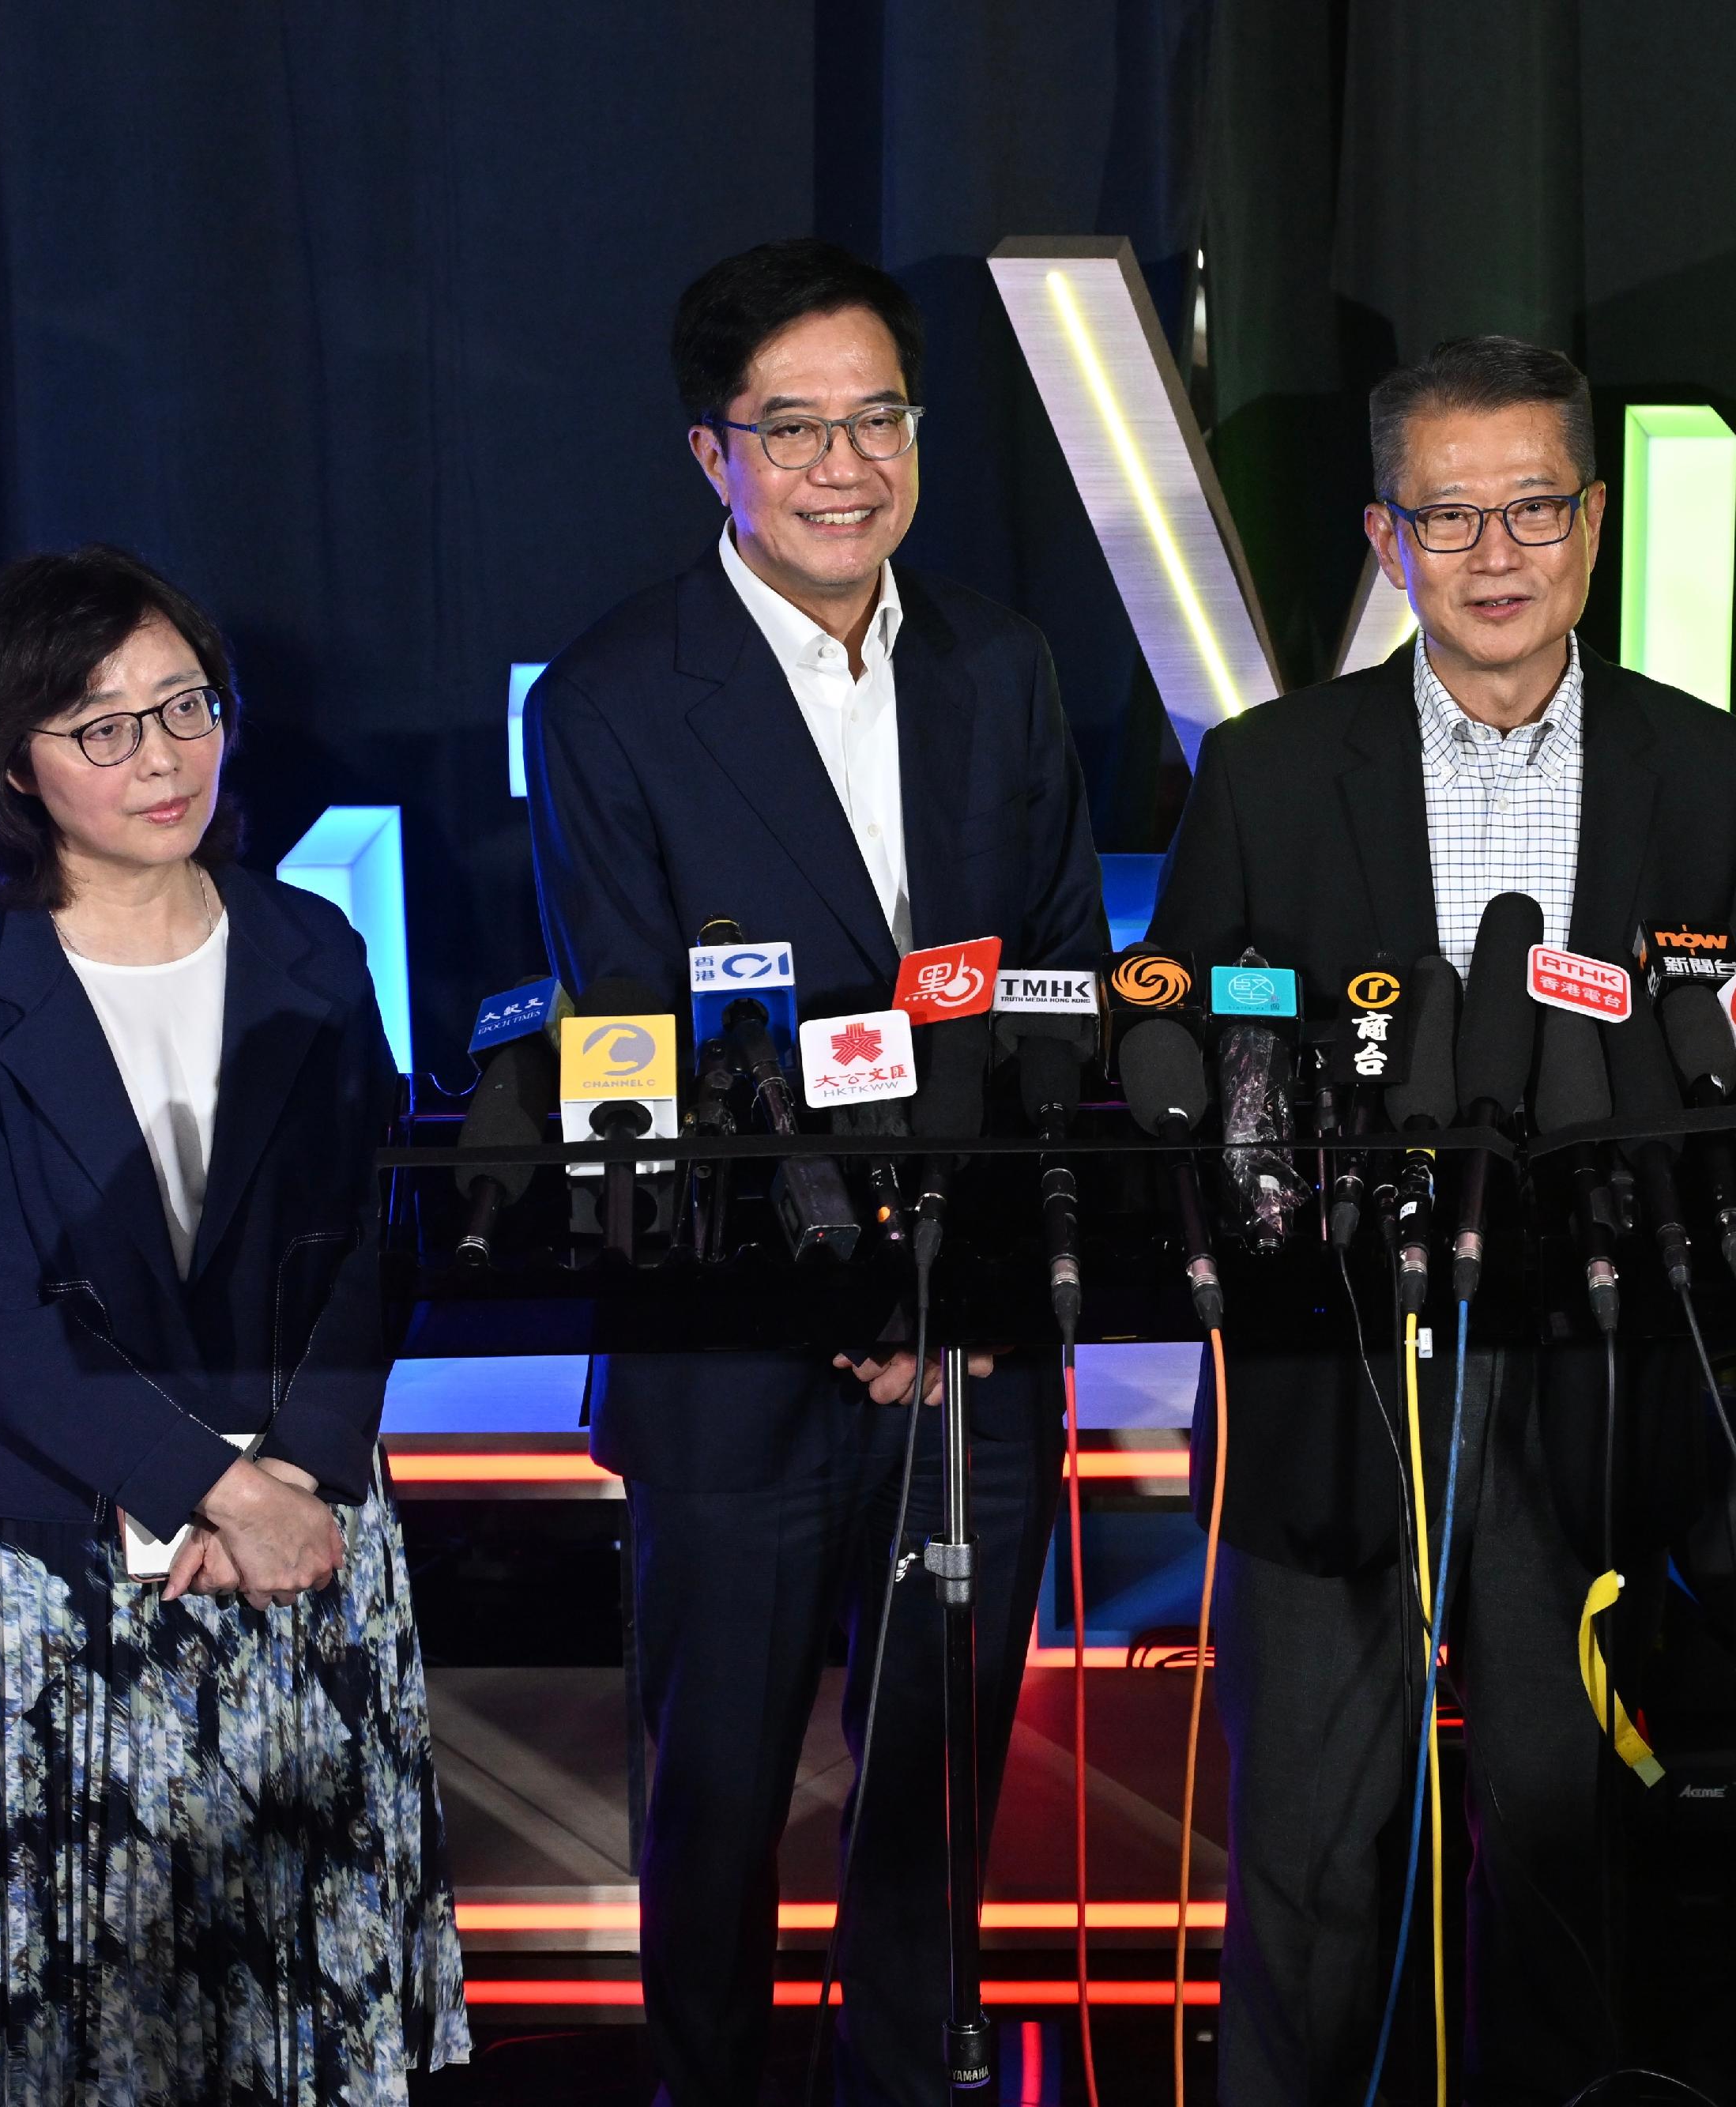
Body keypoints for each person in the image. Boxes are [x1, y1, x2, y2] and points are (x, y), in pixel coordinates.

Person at [1150, 334, 1736, 2102]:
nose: (1493, 556)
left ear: (1590, 521)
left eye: (1530, 510)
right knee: (1304, 1863)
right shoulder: (1268, 770)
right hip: (1326, 1371)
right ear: (1383, 535)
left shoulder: (1715, 777)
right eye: (1448, 517)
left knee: (1568, 1846)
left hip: (1586, 1389)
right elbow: (1194, 1058)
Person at [524, 237, 1104, 2106]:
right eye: (795, 427)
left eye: (879, 417)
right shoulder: (611, 698)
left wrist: (961, 1295)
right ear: (715, 454)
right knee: (717, 1803)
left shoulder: (1003, 665)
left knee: (938, 1790)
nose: (845, 463)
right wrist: (853, 1290)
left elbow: (1054, 997)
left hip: (974, 1344)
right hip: (735, 1344)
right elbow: (642, 1050)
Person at [0, 545, 465, 2102]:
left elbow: (369, 1241)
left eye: (184, 708)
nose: (162, 759)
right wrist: (211, 1486)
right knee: (90, 2019)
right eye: (104, 727)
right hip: (57, 1541)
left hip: (308, 1520)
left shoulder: (312, 945)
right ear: (12, 758)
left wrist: (299, 1473)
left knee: (303, 1995)